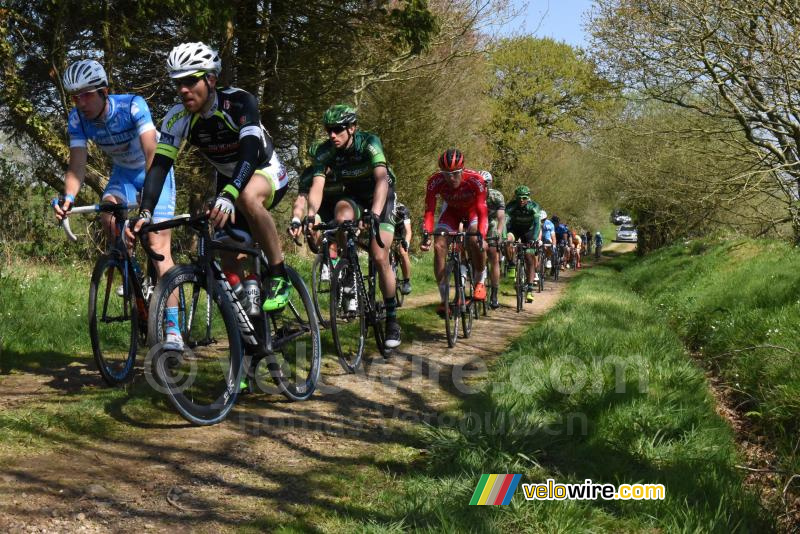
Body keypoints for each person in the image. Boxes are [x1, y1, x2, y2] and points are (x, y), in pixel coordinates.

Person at [132, 42, 291, 321]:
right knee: (227, 253)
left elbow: (250, 153)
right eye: (178, 82)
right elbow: (159, 167)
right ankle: (251, 321)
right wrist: (145, 211)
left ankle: (279, 275)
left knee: (246, 197)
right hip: (229, 180)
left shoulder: (240, 102)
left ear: (211, 79)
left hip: (263, 169)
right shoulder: (177, 118)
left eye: (191, 81)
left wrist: (229, 194)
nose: (183, 89)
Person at [52, 59, 180, 346]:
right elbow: (77, 167)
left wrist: (146, 203)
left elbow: (152, 153)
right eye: (75, 96)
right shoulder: (77, 120)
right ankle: (132, 275)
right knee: (108, 213)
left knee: (159, 246)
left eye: (86, 94)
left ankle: (173, 329)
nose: (80, 102)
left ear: (104, 91)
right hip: (122, 174)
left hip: (154, 171)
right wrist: (68, 198)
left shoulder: (133, 106)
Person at [303, 104, 402, 348]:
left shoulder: (369, 142)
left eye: (337, 130)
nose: (332, 135)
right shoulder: (326, 152)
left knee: (380, 256)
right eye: (329, 131)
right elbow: (316, 186)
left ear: (352, 128)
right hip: (355, 197)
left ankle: (391, 320)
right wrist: (311, 214)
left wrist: (375, 215)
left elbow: (381, 179)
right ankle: (348, 270)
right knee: (341, 214)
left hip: (381, 197)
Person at [420, 149, 488, 314]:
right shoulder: (435, 181)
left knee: (473, 240)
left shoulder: (475, 180)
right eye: (446, 174)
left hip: (472, 213)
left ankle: (480, 281)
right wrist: (426, 234)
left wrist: (482, 236)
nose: (450, 178)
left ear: (462, 169)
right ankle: (444, 300)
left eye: (455, 173)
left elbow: (482, 210)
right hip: (451, 213)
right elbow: (429, 211)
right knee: (439, 245)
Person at [504, 185, 541, 303]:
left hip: (528, 232)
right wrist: (504, 237)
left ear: (528, 197)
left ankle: (529, 289)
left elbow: (537, 224)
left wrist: (534, 239)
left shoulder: (534, 207)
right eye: (519, 197)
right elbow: (504, 222)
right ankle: (511, 264)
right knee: (508, 240)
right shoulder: (511, 206)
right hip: (515, 230)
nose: (521, 200)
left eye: (524, 197)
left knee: (529, 257)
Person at [480, 171, 505, 309]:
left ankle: (494, 293)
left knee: (493, 256)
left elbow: (501, 217)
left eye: (485, 184)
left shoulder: (496, 196)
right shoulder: (471, 194)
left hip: (491, 223)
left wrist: (499, 233)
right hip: (476, 222)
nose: (483, 186)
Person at [393, 200, 413, 295]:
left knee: (402, 251)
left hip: (401, 231)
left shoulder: (402, 209)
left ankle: (406, 281)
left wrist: (406, 243)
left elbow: (408, 231)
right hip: (389, 230)